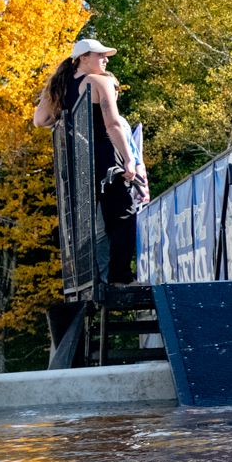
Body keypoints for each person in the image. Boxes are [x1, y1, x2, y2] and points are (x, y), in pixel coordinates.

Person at [33, 37, 147, 284]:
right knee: (122, 217)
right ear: (84, 57)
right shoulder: (99, 81)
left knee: (84, 223)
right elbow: (113, 124)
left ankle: (89, 278)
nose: (105, 59)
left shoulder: (61, 87)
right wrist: (129, 159)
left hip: (78, 163)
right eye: (100, 55)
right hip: (107, 159)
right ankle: (120, 276)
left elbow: (40, 121)